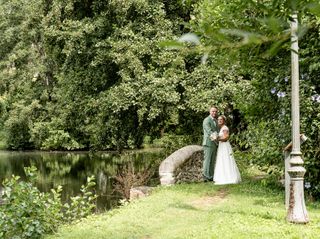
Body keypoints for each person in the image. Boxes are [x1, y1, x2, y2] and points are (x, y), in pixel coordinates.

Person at [213, 115, 241, 185]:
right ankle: (223, 176)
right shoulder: (222, 128)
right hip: (221, 146)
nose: (219, 121)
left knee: (225, 159)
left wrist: (217, 139)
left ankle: (228, 177)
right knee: (222, 160)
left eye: (221, 120)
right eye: (218, 119)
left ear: (224, 121)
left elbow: (226, 138)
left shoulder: (225, 128)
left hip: (225, 146)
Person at [202, 106, 219, 182]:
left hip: (214, 143)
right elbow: (209, 131)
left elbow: (217, 131)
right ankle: (205, 176)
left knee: (212, 160)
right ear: (209, 111)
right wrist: (218, 138)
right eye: (213, 111)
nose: (214, 113)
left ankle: (211, 176)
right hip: (208, 143)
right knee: (207, 160)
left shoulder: (215, 120)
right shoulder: (206, 120)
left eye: (215, 111)